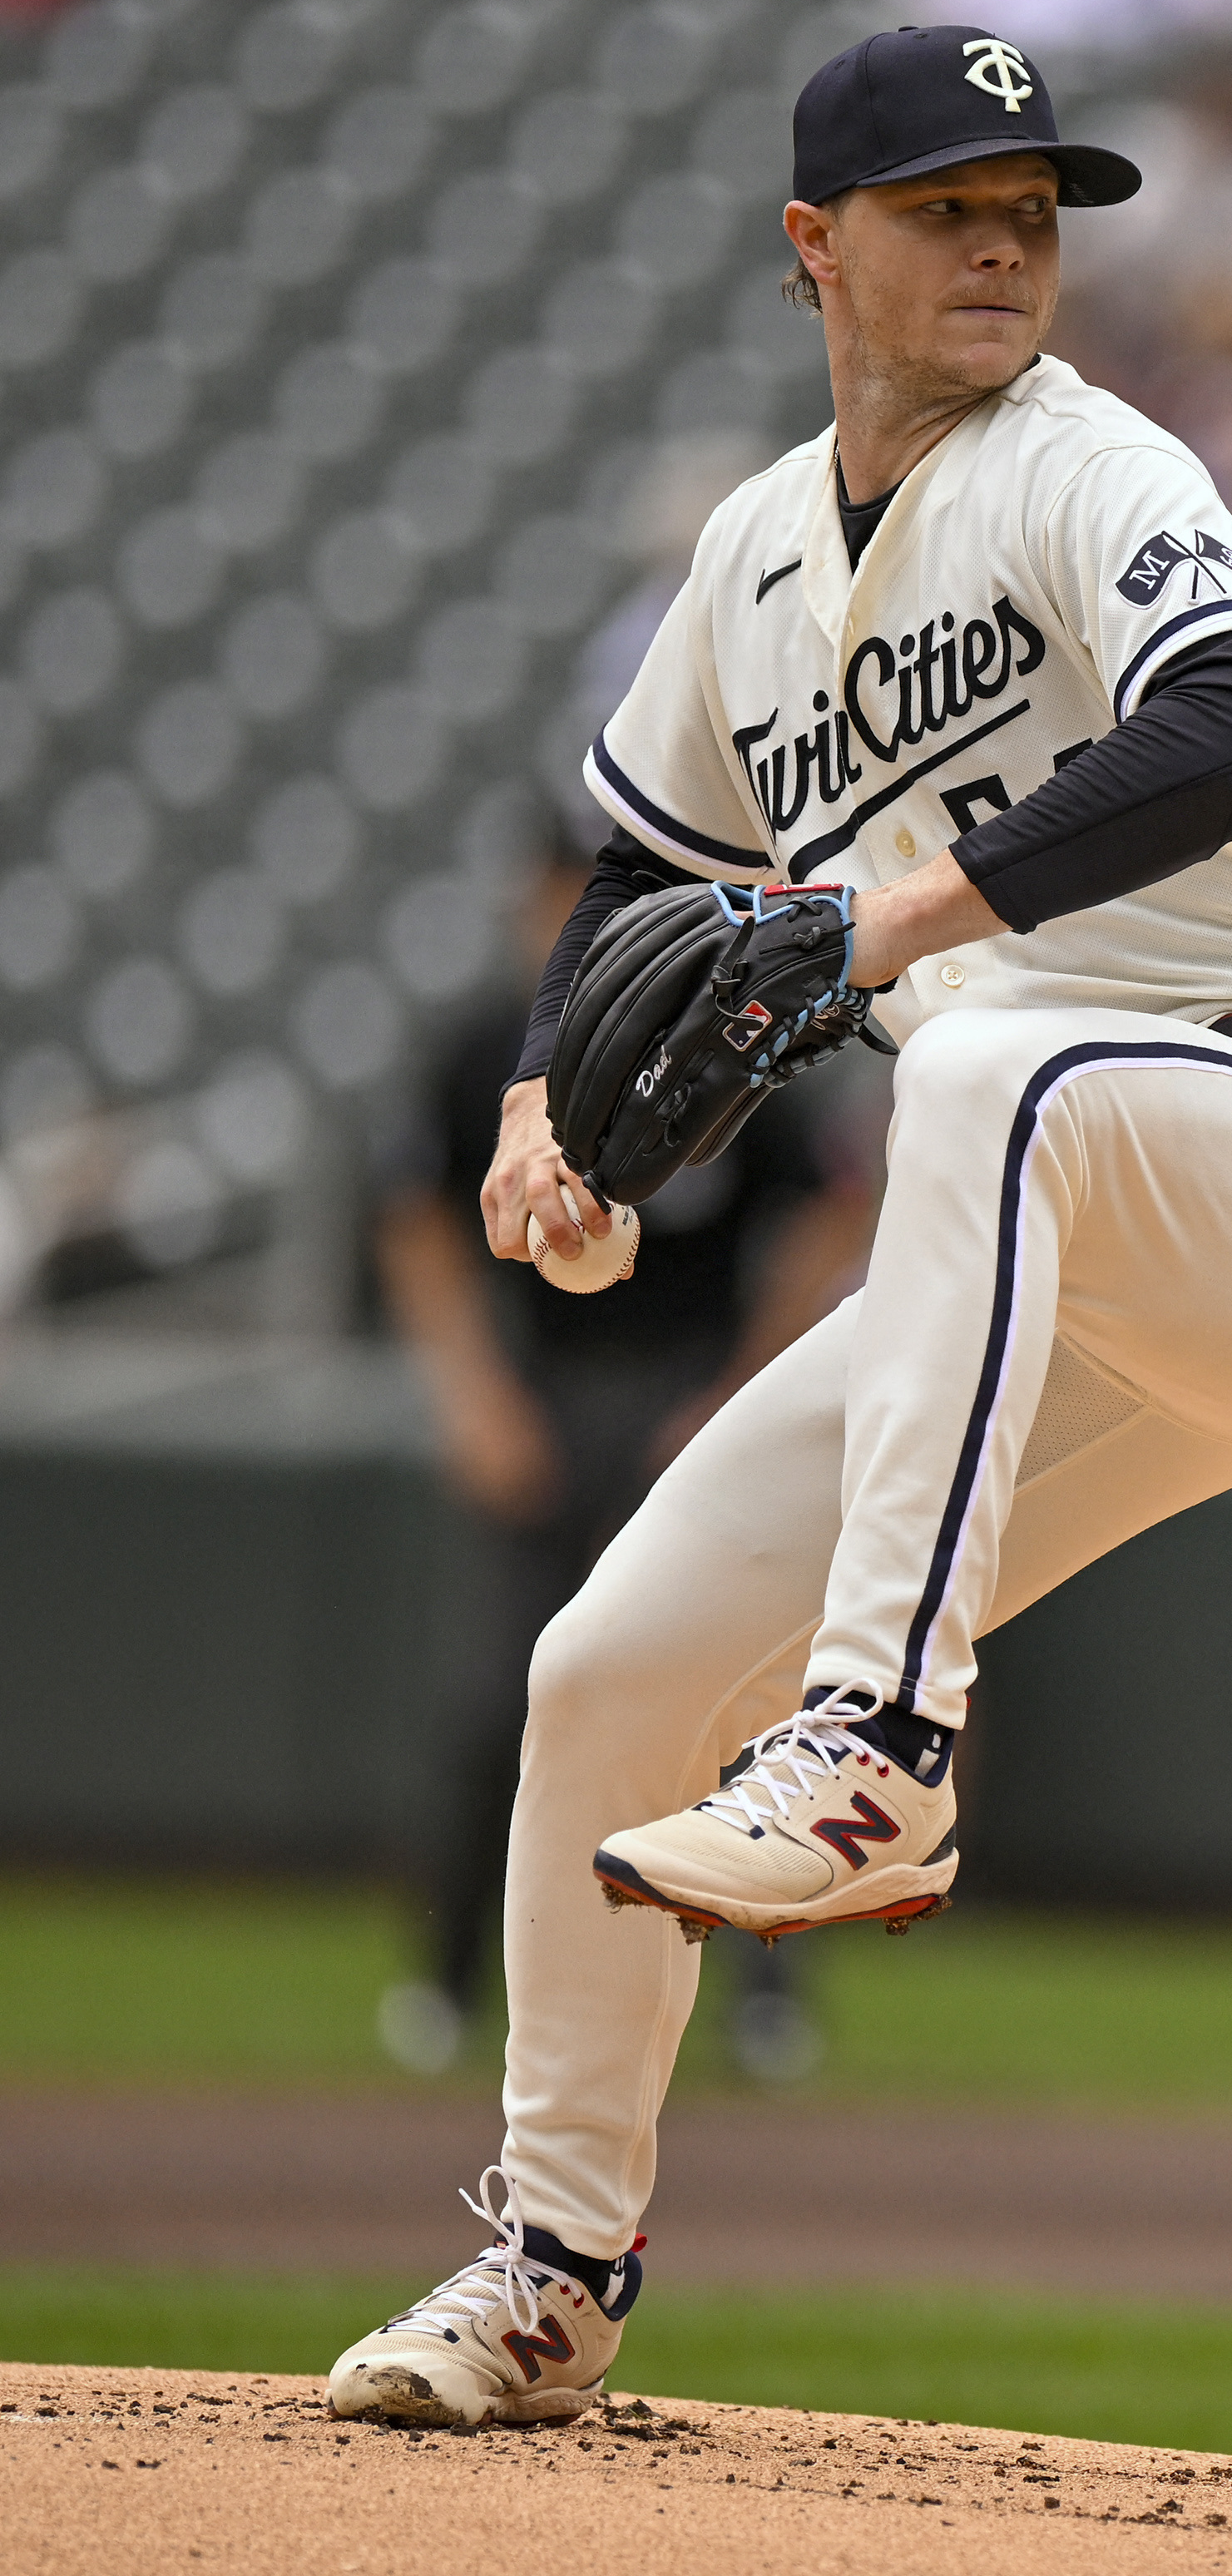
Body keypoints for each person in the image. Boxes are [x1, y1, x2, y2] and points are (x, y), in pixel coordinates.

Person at [329, 23, 1232, 2430]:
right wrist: (549, 1111)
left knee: (975, 1040)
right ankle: (552, 2265)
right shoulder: (749, 552)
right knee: (607, 1670)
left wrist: (896, 916)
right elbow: (637, 868)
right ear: (811, 249)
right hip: (1060, 1242)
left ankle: (877, 1740)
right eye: (951, 204)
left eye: (1033, 209)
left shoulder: (1091, 467)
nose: (1002, 244)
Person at [373, 828, 872, 2074]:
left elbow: (834, 1205)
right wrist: (471, 1394)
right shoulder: (500, 1057)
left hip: (688, 1405)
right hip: (548, 1397)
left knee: (748, 1714)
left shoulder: (730, 1036)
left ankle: (763, 1999)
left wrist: (742, 1387)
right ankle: (447, 1987)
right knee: (503, 1703)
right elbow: (413, 1220)